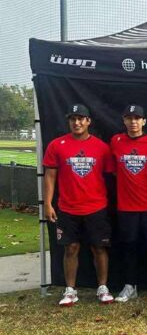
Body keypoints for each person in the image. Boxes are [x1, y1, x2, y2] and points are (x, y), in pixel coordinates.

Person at [43, 103, 115, 306]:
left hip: (96, 207)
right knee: (71, 248)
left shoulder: (101, 147)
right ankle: (70, 290)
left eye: (81, 119)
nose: (77, 122)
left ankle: (103, 287)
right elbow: (50, 176)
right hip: (67, 207)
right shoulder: (56, 145)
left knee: (99, 248)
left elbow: (111, 176)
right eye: (73, 119)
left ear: (88, 121)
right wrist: (47, 203)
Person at [110, 105, 147, 302]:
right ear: (124, 120)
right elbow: (114, 170)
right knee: (129, 246)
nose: (133, 122)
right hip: (126, 206)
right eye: (129, 118)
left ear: (144, 121)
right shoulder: (116, 141)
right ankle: (130, 285)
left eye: (137, 118)